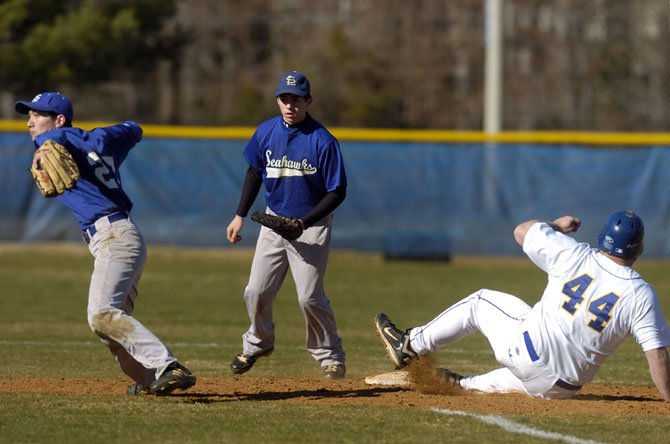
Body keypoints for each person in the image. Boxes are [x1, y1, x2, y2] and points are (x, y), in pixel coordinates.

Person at [375, 210, 670, 400]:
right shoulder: (640, 293)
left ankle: (411, 344)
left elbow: (521, 231)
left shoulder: (576, 254)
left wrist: (555, 226)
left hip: (529, 355)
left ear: (603, 238)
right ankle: (455, 385)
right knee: (479, 379)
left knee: (480, 302)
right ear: (638, 249)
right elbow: (657, 356)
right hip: (559, 389)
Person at [15, 92, 196, 396]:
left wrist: (48, 147)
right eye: (28, 115)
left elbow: (50, 143)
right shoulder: (100, 139)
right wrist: (111, 138)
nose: (31, 122)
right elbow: (132, 128)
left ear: (59, 119)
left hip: (114, 237)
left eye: (38, 114)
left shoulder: (53, 138)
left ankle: (168, 366)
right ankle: (151, 380)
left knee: (100, 315)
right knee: (111, 334)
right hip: (122, 237)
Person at [226, 71, 348, 380]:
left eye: (296, 99)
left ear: (308, 101)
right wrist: (240, 214)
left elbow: (337, 191)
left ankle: (330, 354)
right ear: (278, 101)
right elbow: (254, 172)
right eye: (284, 98)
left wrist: (304, 222)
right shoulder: (267, 132)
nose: (290, 104)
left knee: (309, 296)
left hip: (312, 224)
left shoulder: (323, 140)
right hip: (274, 220)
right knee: (255, 291)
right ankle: (258, 343)